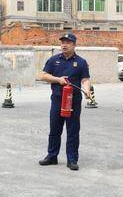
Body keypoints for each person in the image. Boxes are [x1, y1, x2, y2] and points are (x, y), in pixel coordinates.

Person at [38, 33, 91, 171]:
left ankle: (72, 160)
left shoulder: (81, 62)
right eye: (62, 42)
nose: (64, 45)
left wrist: (87, 90)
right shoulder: (54, 60)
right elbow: (43, 75)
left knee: (73, 131)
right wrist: (58, 79)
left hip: (74, 102)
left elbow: (85, 79)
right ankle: (52, 156)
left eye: (68, 42)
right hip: (57, 100)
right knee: (55, 130)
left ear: (74, 45)